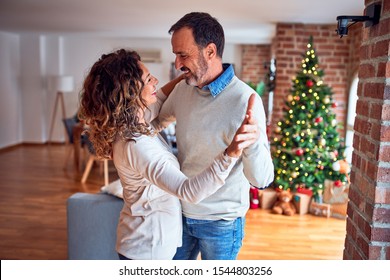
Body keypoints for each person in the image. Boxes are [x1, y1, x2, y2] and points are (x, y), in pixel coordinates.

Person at [78, 49, 259, 260]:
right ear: (129, 92)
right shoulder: (136, 145)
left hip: (143, 243)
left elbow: (161, 96)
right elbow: (188, 190)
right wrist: (232, 152)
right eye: (148, 79)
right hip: (148, 250)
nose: (155, 80)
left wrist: (188, 75)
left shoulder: (132, 123)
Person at [154, 12, 275, 260]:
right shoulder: (182, 90)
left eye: (183, 55)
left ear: (210, 51)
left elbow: (261, 179)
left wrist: (250, 144)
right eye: (176, 55)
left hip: (222, 223)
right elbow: (153, 123)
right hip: (180, 212)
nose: (177, 64)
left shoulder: (245, 99)